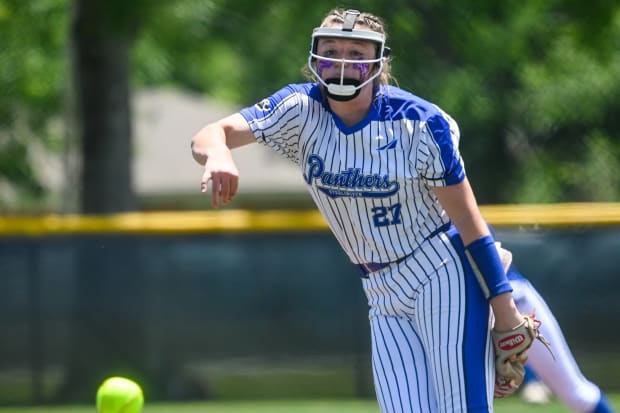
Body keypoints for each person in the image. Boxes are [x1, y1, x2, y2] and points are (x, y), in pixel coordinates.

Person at [191, 8, 535, 412]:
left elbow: (470, 225)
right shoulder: (300, 110)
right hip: (379, 288)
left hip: (440, 272)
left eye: (356, 52)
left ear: (379, 62)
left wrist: (505, 310)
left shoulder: (419, 123)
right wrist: (218, 155)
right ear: (314, 57)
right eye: (331, 49)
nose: (341, 61)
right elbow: (211, 132)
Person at [508, 264, 616, 413]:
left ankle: (532, 380)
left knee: (579, 396)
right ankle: (532, 380)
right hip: (475, 311)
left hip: (517, 302)